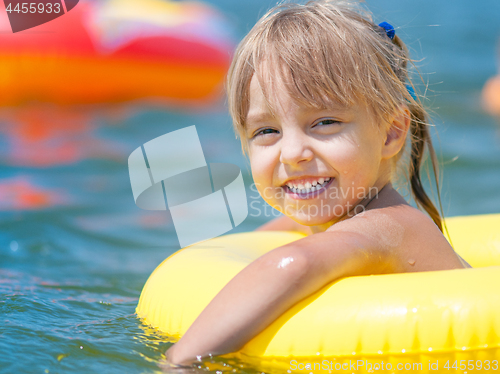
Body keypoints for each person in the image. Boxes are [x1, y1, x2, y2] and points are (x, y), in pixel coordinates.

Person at [163, 0, 471, 368]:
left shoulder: (390, 227)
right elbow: (283, 236)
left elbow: (294, 263)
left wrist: (179, 360)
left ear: (391, 133)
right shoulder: (337, 219)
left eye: (325, 122)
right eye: (267, 131)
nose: (292, 153)